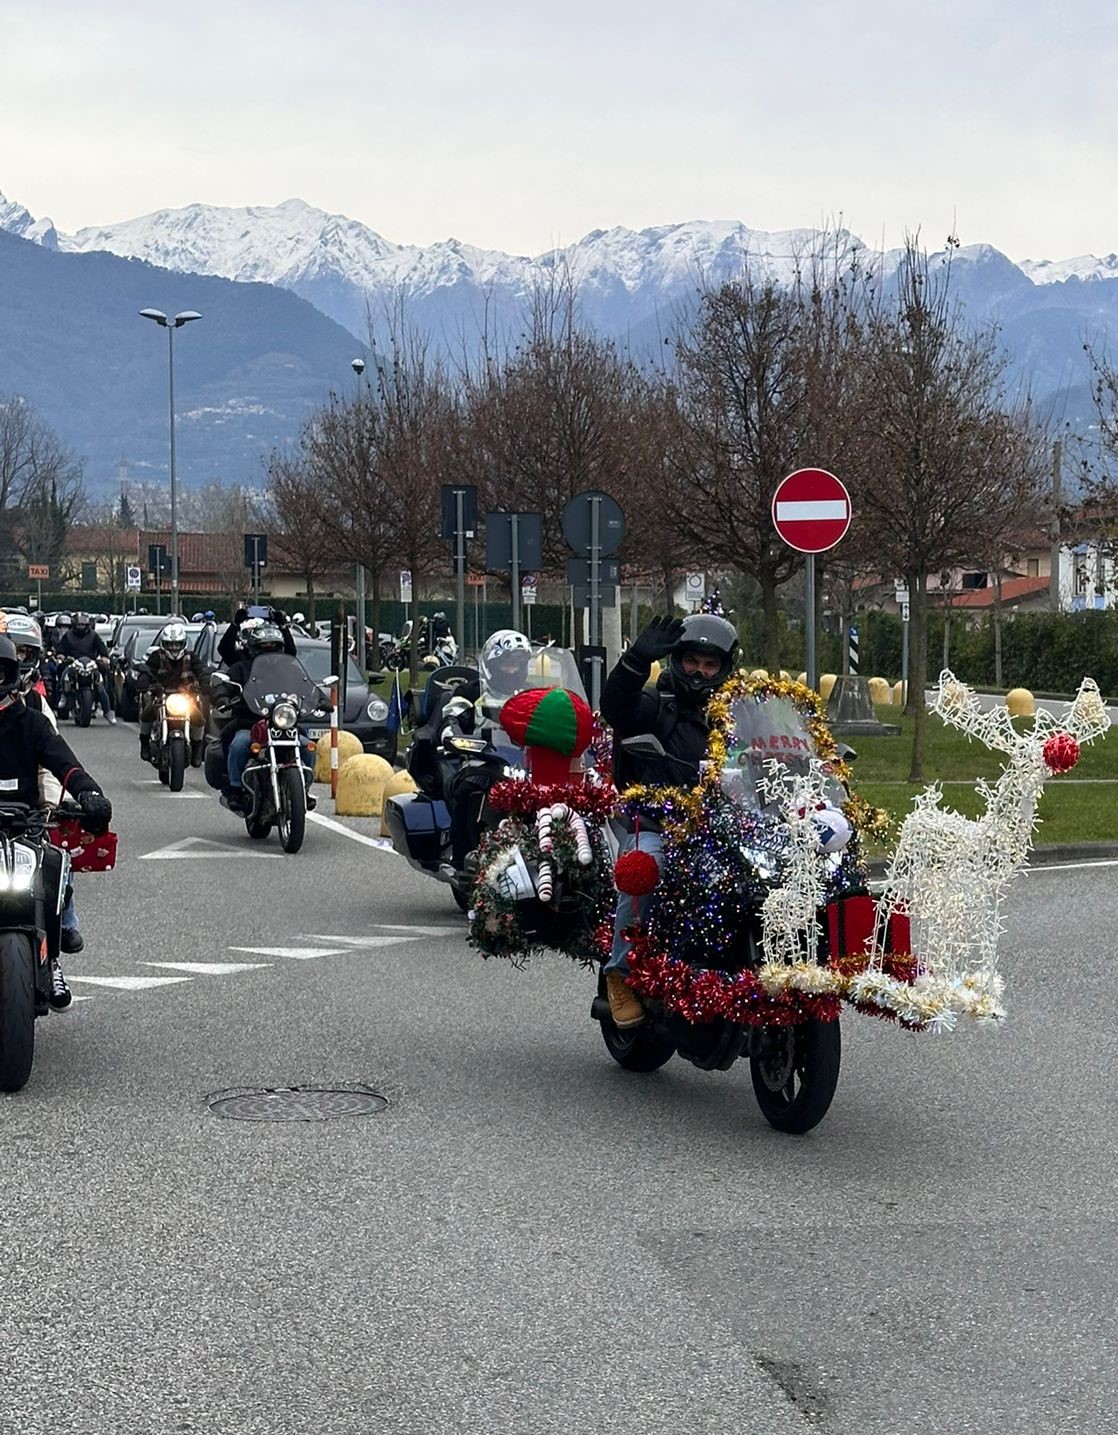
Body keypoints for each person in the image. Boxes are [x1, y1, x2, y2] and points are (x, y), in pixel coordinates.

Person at [600, 613, 740, 1028]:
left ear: (725, 667)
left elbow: (772, 750)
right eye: (691, 661)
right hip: (658, 824)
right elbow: (617, 708)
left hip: (726, 831)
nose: (699, 671)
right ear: (677, 661)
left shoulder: (737, 713)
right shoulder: (656, 706)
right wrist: (635, 661)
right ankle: (620, 975)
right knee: (645, 870)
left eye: (710, 664)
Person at [0, 634, 112, 1008]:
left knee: (52, 868)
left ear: (12, 674)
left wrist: (89, 793)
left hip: (23, 825)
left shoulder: (31, 722)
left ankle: (52, 961)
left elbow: (65, 763)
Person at [4, 614, 87, 957]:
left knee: (54, 860)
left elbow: (55, 762)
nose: (17, 658)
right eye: (12, 650)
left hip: (26, 812)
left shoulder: (36, 709)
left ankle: (60, 937)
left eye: (24, 652)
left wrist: (56, 804)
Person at [216, 609, 313, 814]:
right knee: (238, 744)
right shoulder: (241, 667)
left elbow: (305, 684)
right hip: (249, 721)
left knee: (308, 746)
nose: (269, 653)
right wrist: (223, 696)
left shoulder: (288, 668)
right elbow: (225, 677)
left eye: (274, 647)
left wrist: (318, 698)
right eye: (263, 648)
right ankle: (235, 789)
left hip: (281, 722)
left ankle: (303, 790)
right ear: (252, 648)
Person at [136, 621, 208, 767]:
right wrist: (144, 681)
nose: (174, 648)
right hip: (162, 696)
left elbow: (201, 670)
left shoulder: (191, 657)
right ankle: (144, 743)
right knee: (147, 713)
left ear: (183, 644)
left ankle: (197, 748)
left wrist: (205, 683)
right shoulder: (156, 656)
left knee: (199, 718)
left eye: (177, 644)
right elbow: (148, 670)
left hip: (186, 696)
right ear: (164, 644)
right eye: (170, 645)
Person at [56, 611, 114, 722]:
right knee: (62, 670)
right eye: (78, 625)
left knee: (101, 683)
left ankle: (107, 711)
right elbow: (61, 649)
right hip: (73, 663)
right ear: (74, 625)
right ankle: (64, 694)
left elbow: (101, 647)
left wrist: (104, 657)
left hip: (91, 664)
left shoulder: (93, 635)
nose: (81, 627)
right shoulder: (68, 636)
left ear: (87, 625)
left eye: (83, 625)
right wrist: (61, 655)